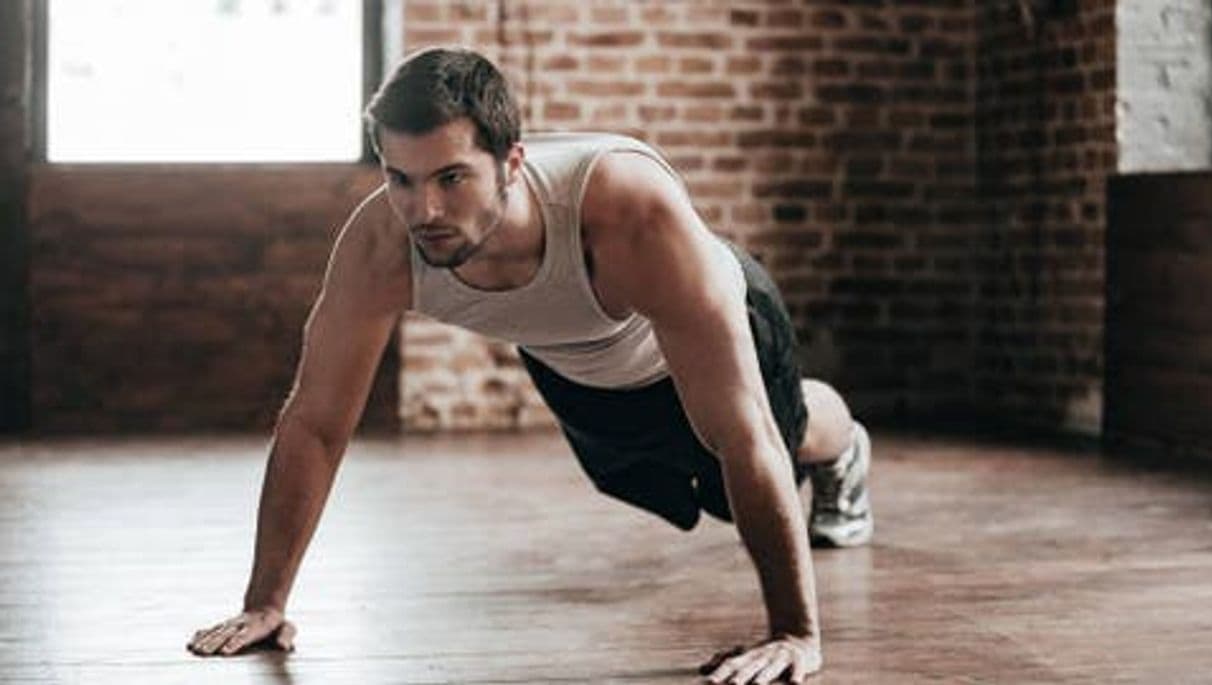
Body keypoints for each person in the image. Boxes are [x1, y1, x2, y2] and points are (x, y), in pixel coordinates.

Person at [186, 47, 873, 684]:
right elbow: (315, 421)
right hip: (583, 367)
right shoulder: (380, 246)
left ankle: (844, 448)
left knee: (773, 442)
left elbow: (745, 431)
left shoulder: (627, 209)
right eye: (402, 178)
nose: (423, 210)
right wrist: (264, 601)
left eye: (451, 178)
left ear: (512, 164)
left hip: (708, 326)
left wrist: (795, 632)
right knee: (681, 489)